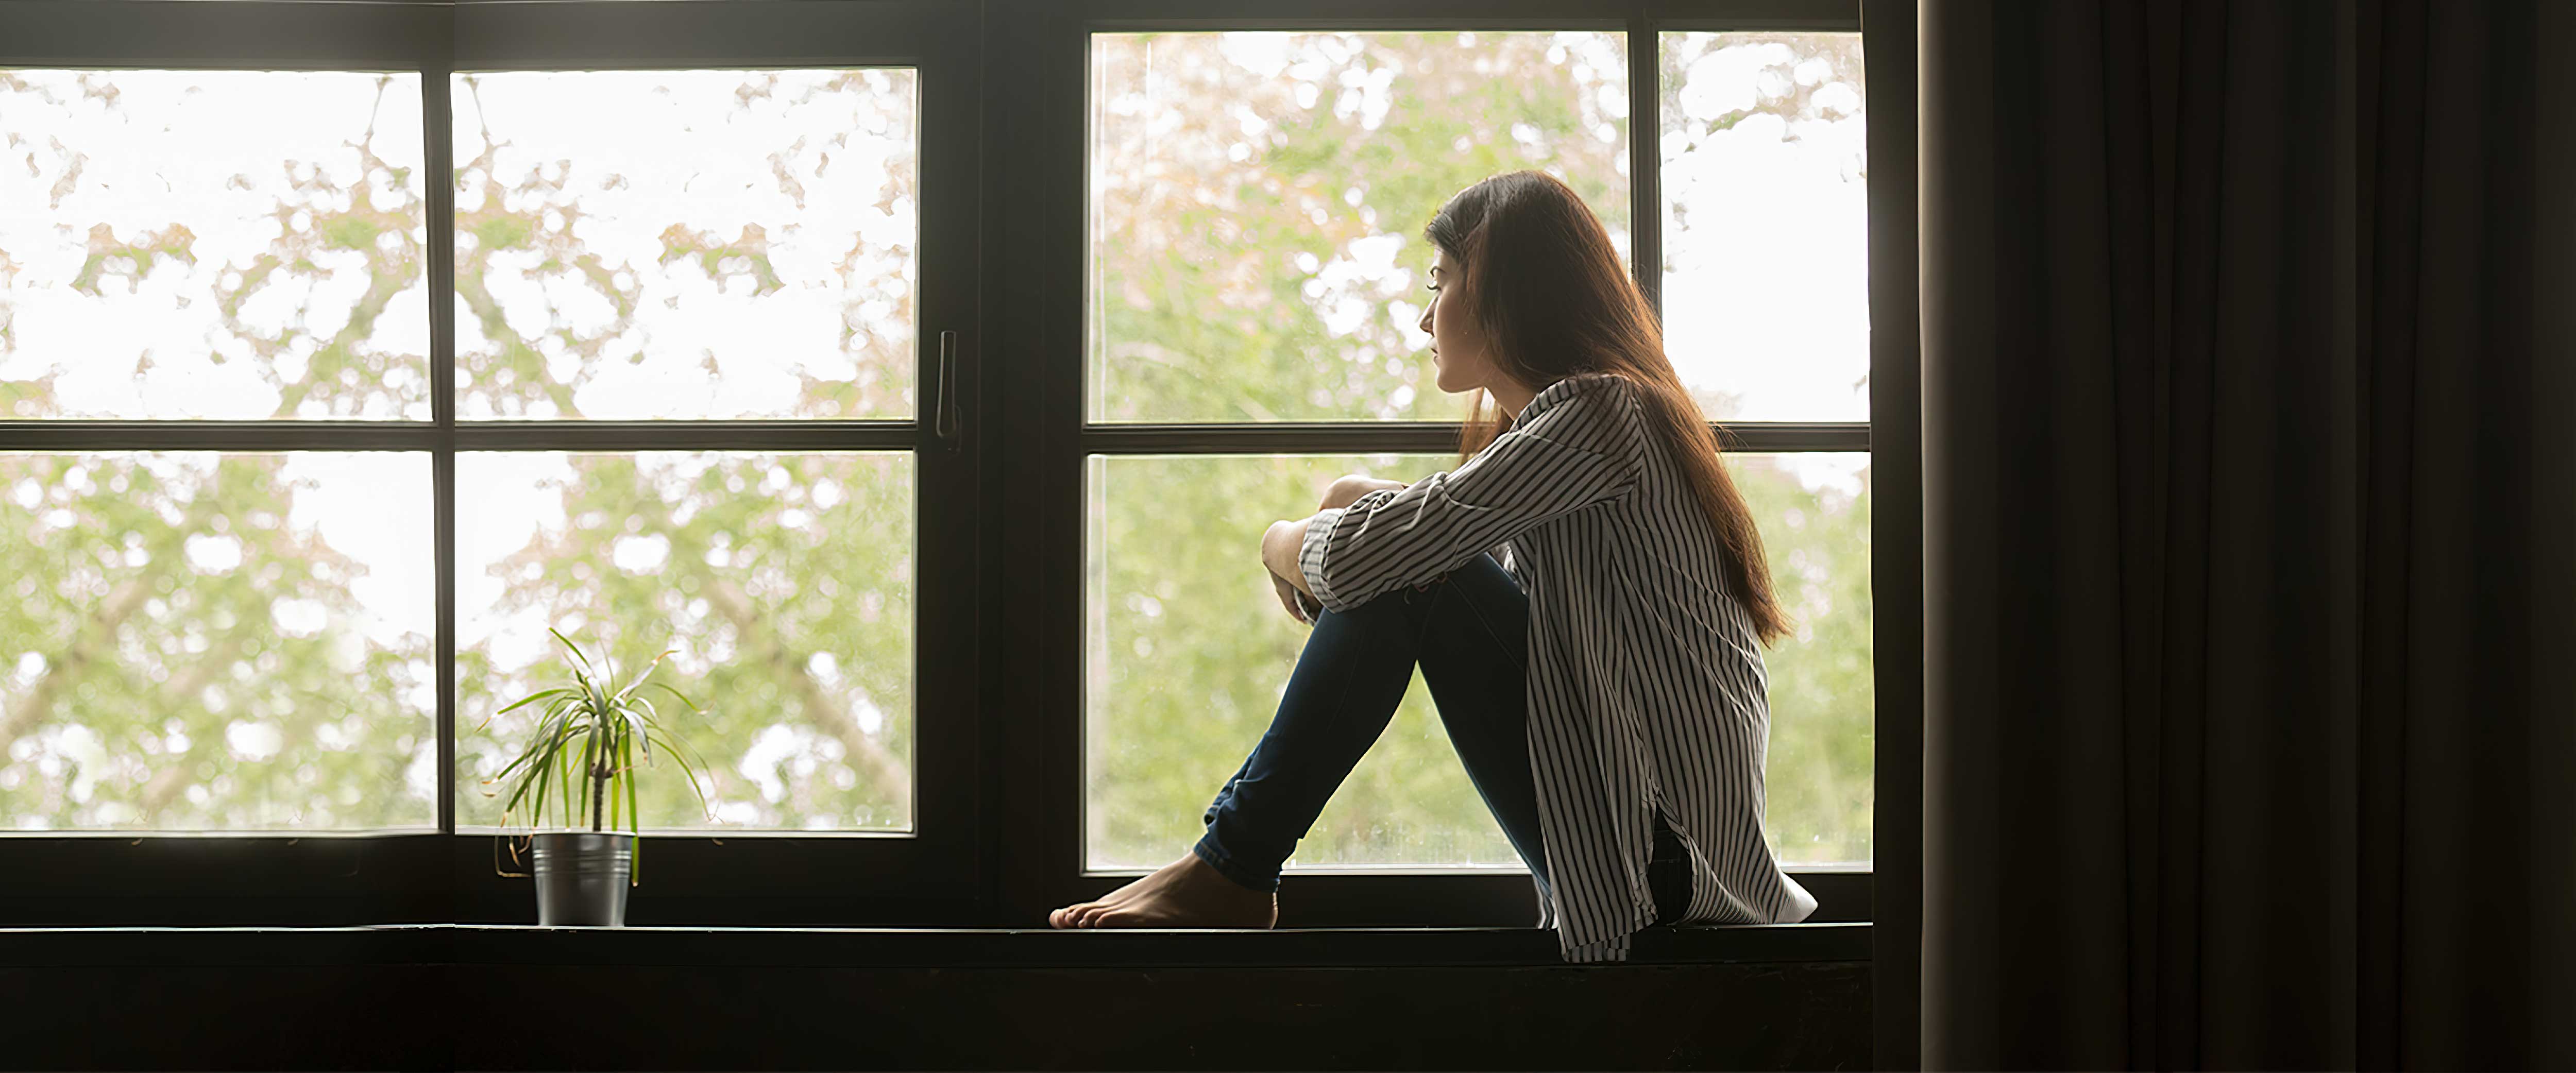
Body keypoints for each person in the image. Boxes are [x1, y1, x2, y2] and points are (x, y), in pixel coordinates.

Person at [1047, 169, 1818, 962]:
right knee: (1404, 555)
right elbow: (1430, 555)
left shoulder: (1601, 413)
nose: (1424, 316)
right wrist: (1349, 502)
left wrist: (1281, 538)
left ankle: (1233, 867)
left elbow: (1376, 561)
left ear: (1506, 290)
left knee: (1410, 567)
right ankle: (1228, 865)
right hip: (1647, 858)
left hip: (1663, 870)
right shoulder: (1599, 427)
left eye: (1440, 282)